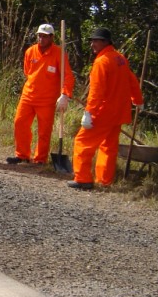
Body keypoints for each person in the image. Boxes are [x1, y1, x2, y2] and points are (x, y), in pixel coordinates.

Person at [69, 28, 143, 190]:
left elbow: (97, 91)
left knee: (83, 142)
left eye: (96, 41)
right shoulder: (120, 59)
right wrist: (138, 100)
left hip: (103, 112)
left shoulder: (102, 62)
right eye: (92, 40)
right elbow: (132, 81)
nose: (92, 44)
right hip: (119, 112)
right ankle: (104, 180)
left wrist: (89, 112)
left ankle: (83, 179)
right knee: (108, 147)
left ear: (106, 42)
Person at [7, 24, 75, 165]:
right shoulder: (30, 51)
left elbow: (67, 76)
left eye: (45, 36)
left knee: (44, 131)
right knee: (20, 123)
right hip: (28, 96)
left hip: (47, 100)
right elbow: (27, 72)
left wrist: (65, 95)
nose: (41, 38)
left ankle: (40, 159)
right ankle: (22, 155)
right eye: (39, 35)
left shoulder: (59, 54)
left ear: (52, 37)